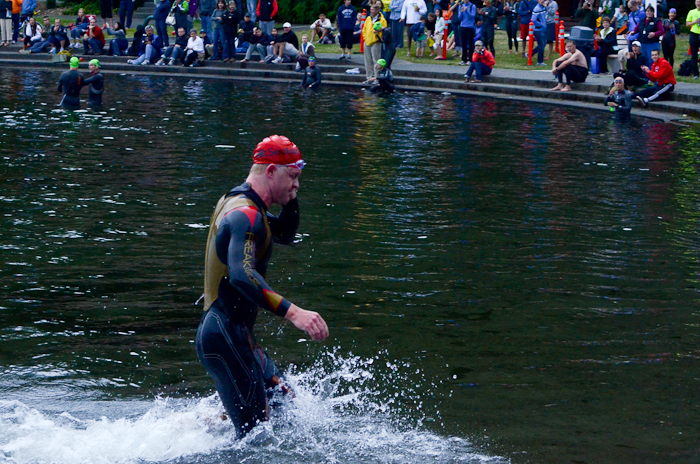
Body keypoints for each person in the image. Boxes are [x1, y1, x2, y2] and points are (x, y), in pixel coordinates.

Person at [196, 135, 328, 438]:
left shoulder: (247, 204)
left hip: (236, 336)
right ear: (270, 172)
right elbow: (242, 275)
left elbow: (284, 234)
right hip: (224, 336)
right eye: (292, 177)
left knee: (286, 405)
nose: (297, 185)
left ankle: (203, 426)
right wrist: (294, 313)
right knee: (255, 437)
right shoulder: (244, 215)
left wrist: (290, 196)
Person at [363, 6, 387, 83]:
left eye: (373, 10)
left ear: (377, 11)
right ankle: (369, 77)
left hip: (376, 42)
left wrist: (378, 36)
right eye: (371, 10)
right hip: (367, 41)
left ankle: (377, 78)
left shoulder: (382, 20)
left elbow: (384, 31)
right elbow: (364, 29)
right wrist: (365, 37)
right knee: (368, 61)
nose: (371, 11)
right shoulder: (368, 18)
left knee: (376, 61)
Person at [456, 0, 476, 65]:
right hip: (463, 26)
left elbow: (473, 16)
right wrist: (462, 12)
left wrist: (467, 12)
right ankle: (464, 59)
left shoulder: (472, 6)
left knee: (470, 43)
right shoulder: (461, 6)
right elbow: (459, 18)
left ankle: (470, 59)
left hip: (470, 27)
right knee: (463, 43)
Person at [529, 0, 546, 65]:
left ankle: (530, 53)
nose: (542, 1)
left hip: (542, 28)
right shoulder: (537, 9)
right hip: (538, 29)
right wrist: (540, 25)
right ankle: (540, 61)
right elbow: (534, 20)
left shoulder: (543, 7)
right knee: (541, 44)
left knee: (542, 44)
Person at [686, 0, 700, 80]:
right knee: (694, 54)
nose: (699, 3)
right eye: (697, 1)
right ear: (695, 3)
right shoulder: (691, 12)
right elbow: (687, 24)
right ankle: (695, 73)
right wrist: (695, 22)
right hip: (694, 33)